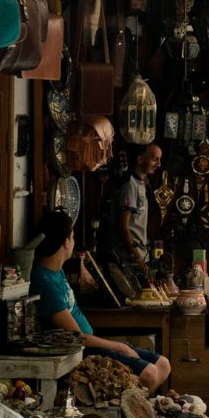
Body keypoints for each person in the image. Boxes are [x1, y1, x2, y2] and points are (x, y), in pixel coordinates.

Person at [31, 211, 172, 391]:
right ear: (66, 242)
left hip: (92, 342)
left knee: (163, 364)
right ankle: (129, 406)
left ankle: (133, 403)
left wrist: (82, 267)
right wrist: (119, 346)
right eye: (72, 237)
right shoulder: (43, 281)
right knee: (150, 374)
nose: (73, 242)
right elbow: (76, 337)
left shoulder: (55, 269)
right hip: (82, 351)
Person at [101, 143, 162, 276]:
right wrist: (138, 257)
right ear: (140, 159)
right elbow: (123, 226)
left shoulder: (142, 184)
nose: (159, 164)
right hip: (125, 259)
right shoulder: (130, 185)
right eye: (154, 159)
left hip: (136, 258)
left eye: (159, 160)